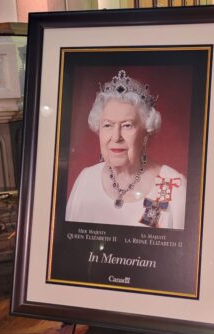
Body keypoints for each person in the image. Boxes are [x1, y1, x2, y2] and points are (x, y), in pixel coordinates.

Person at [65, 70, 187, 229]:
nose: (116, 137)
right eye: (107, 125)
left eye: (127, 125)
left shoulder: (175, 186)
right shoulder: (85, 179)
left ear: (146, 132)